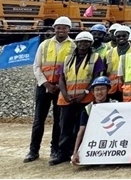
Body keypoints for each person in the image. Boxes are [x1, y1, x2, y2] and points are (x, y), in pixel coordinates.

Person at [24, 16, 74, 164]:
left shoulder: (73, 46)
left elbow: (71, 69)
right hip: (44, 87)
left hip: (61, 88)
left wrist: (60, 86)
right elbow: (36, 66)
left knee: (59, 121)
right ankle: (33, 150)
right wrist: (46, 84)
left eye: (64, 28)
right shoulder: (44, 45)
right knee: (39, 120)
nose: (61, 30)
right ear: (54, 29)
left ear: (69, 30)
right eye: (58, 27)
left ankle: (55, 150)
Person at [54, 31, 104, 165]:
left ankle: (77, 153)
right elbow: (61, 79)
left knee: (80, 127)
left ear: (90, 43)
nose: (83, 44)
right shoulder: (67, 58)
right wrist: (65, 94)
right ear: (76, 43)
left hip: (85, 99)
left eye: (86, 42)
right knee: (65, 127)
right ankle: (62, 154)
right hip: (67, 99)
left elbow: (95, 78)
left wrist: (84, 93)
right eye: (81, 42)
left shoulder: (95, 58)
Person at [69, 76, 116, 166]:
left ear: (108, 90)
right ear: (92, 92)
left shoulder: (116, 105)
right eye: (97, 89)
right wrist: (75, 152)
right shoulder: (88, 109)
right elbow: (81, 131)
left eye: (102, 89)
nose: (99, 92)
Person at [105, 25, 130, 102]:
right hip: (112, 89)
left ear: (129, 36)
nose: (121, 38)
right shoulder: (109, 53)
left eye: (124, 36)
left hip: (128, 88)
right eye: (118, 36)